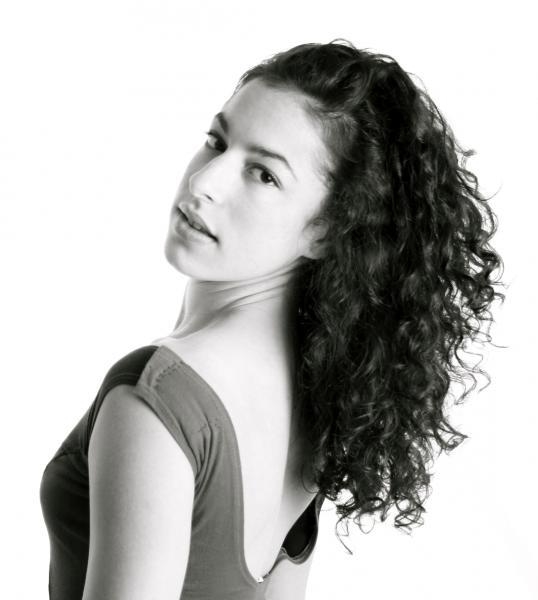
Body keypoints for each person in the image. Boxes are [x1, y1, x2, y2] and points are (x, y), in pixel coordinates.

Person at [39, 39, 505, 600]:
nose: (204, 182)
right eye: (217, 141)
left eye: (263, 174)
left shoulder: (157, 399)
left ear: (326, 231)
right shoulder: (316, 388)